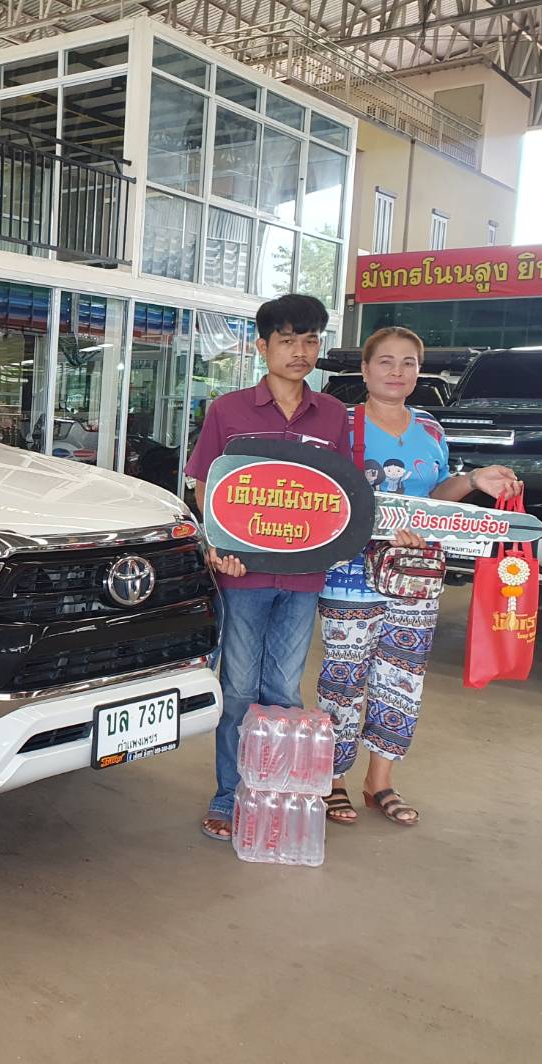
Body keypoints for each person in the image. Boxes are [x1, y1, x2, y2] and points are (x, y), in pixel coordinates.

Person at [317, 326, 522, 826]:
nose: (397, 371)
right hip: (351, 573)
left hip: (416, 575)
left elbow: (435, 496)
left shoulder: (429, 427)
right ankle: (333, 780)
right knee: (343, 677)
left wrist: (473, 481)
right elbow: (322, 494)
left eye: (408, 362)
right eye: (385, 361)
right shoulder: (341, 422)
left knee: (402, 676)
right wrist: (381, 526)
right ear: (365, 370)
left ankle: (379, 781)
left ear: (418, 371)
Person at [184, 294, 351, 842]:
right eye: (287, 340)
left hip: (303, 577)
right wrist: (217, 542)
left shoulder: (333, 415)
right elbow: (207, 484)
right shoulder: (227, 411)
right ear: (262, 346)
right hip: (242, 574)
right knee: (236, 691)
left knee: (283, 691)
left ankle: (274, 796)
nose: (300, 351)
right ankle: (228, 794)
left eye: (310, 340)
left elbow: (342, 494)